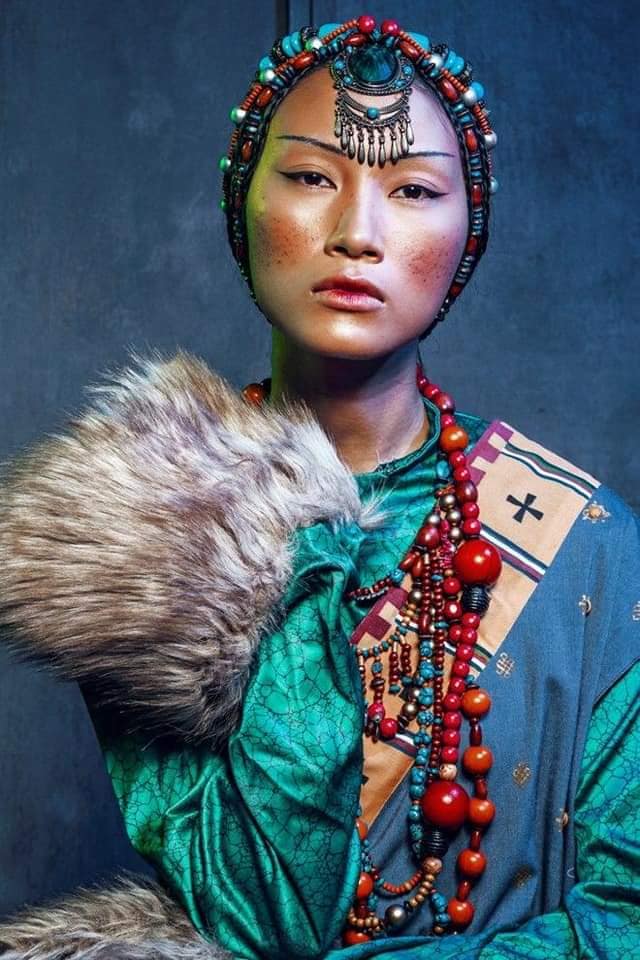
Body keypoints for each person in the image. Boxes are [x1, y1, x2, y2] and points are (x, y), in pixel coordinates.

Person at [0, 14, 638, 960]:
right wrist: (295, 509)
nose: (357, 233)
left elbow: (627, 919)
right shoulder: (139, 521)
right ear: (242, 202)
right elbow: (270, 915)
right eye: (309, 177)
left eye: (413, 189)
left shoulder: (590, 547)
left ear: (467, 232)